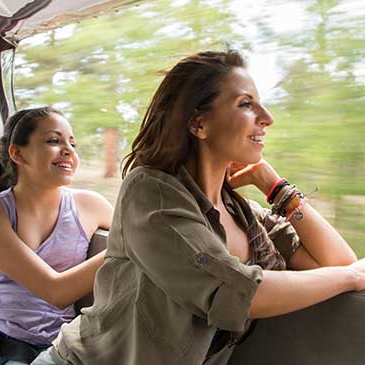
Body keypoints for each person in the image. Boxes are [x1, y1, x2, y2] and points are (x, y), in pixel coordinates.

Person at [32, 50, 364, 365]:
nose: (268, 118)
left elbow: (337, 260)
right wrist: (349, 277)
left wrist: (274, 186)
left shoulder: (241, 212)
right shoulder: (151, 194)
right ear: (199, 124)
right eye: (246, 104)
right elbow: (235, 293)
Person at [0, 107, 113, 364]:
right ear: (18, 153)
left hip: (48, 349)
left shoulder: (91, 205)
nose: (68, 151)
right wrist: (124, 246)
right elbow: (55, 291)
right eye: (54, 141)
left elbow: (141, 233)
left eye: (72, 144)